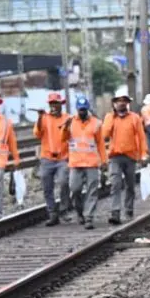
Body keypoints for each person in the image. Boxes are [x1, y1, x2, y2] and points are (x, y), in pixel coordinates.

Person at [102, 86, 148, 225]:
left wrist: (143, 155)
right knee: (115, 184)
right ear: (114, 103)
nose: (122, 103)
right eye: (119, 101)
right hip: (114, 156)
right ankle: (115, 212)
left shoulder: (135, 118)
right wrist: (112, 116)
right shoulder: (109, 117)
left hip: (130, 156)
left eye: (124, 101)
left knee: (130, 185)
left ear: (128, 103)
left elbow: (141, 137)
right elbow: (104, 135)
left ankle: (128, 209)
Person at [62, 96, 107, 230]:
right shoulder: (70, 122)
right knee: (75, 189)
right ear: (77, 109)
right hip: (75, 163)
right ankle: (80, 211)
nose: (82, 112)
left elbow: (100, 144)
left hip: (91, 163)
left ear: (87, 109)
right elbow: (63, 139)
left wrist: (104, 161)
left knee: (92, 191)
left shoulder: (96, 123)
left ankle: (89, 217)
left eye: (84, 109)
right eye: (80, 110)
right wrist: (65, 128)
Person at [33, 91, 69, 226]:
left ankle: (64, 209)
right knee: (47, 187)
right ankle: (52, 213)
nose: (54, 106)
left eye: (56, 103)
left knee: (64, 182)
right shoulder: (44, 118)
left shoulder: (67, 118)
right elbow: (37, 134)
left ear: (61, 104)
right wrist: (39, 118)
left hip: (63, 158)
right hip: (47, 158)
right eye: (52, 103)